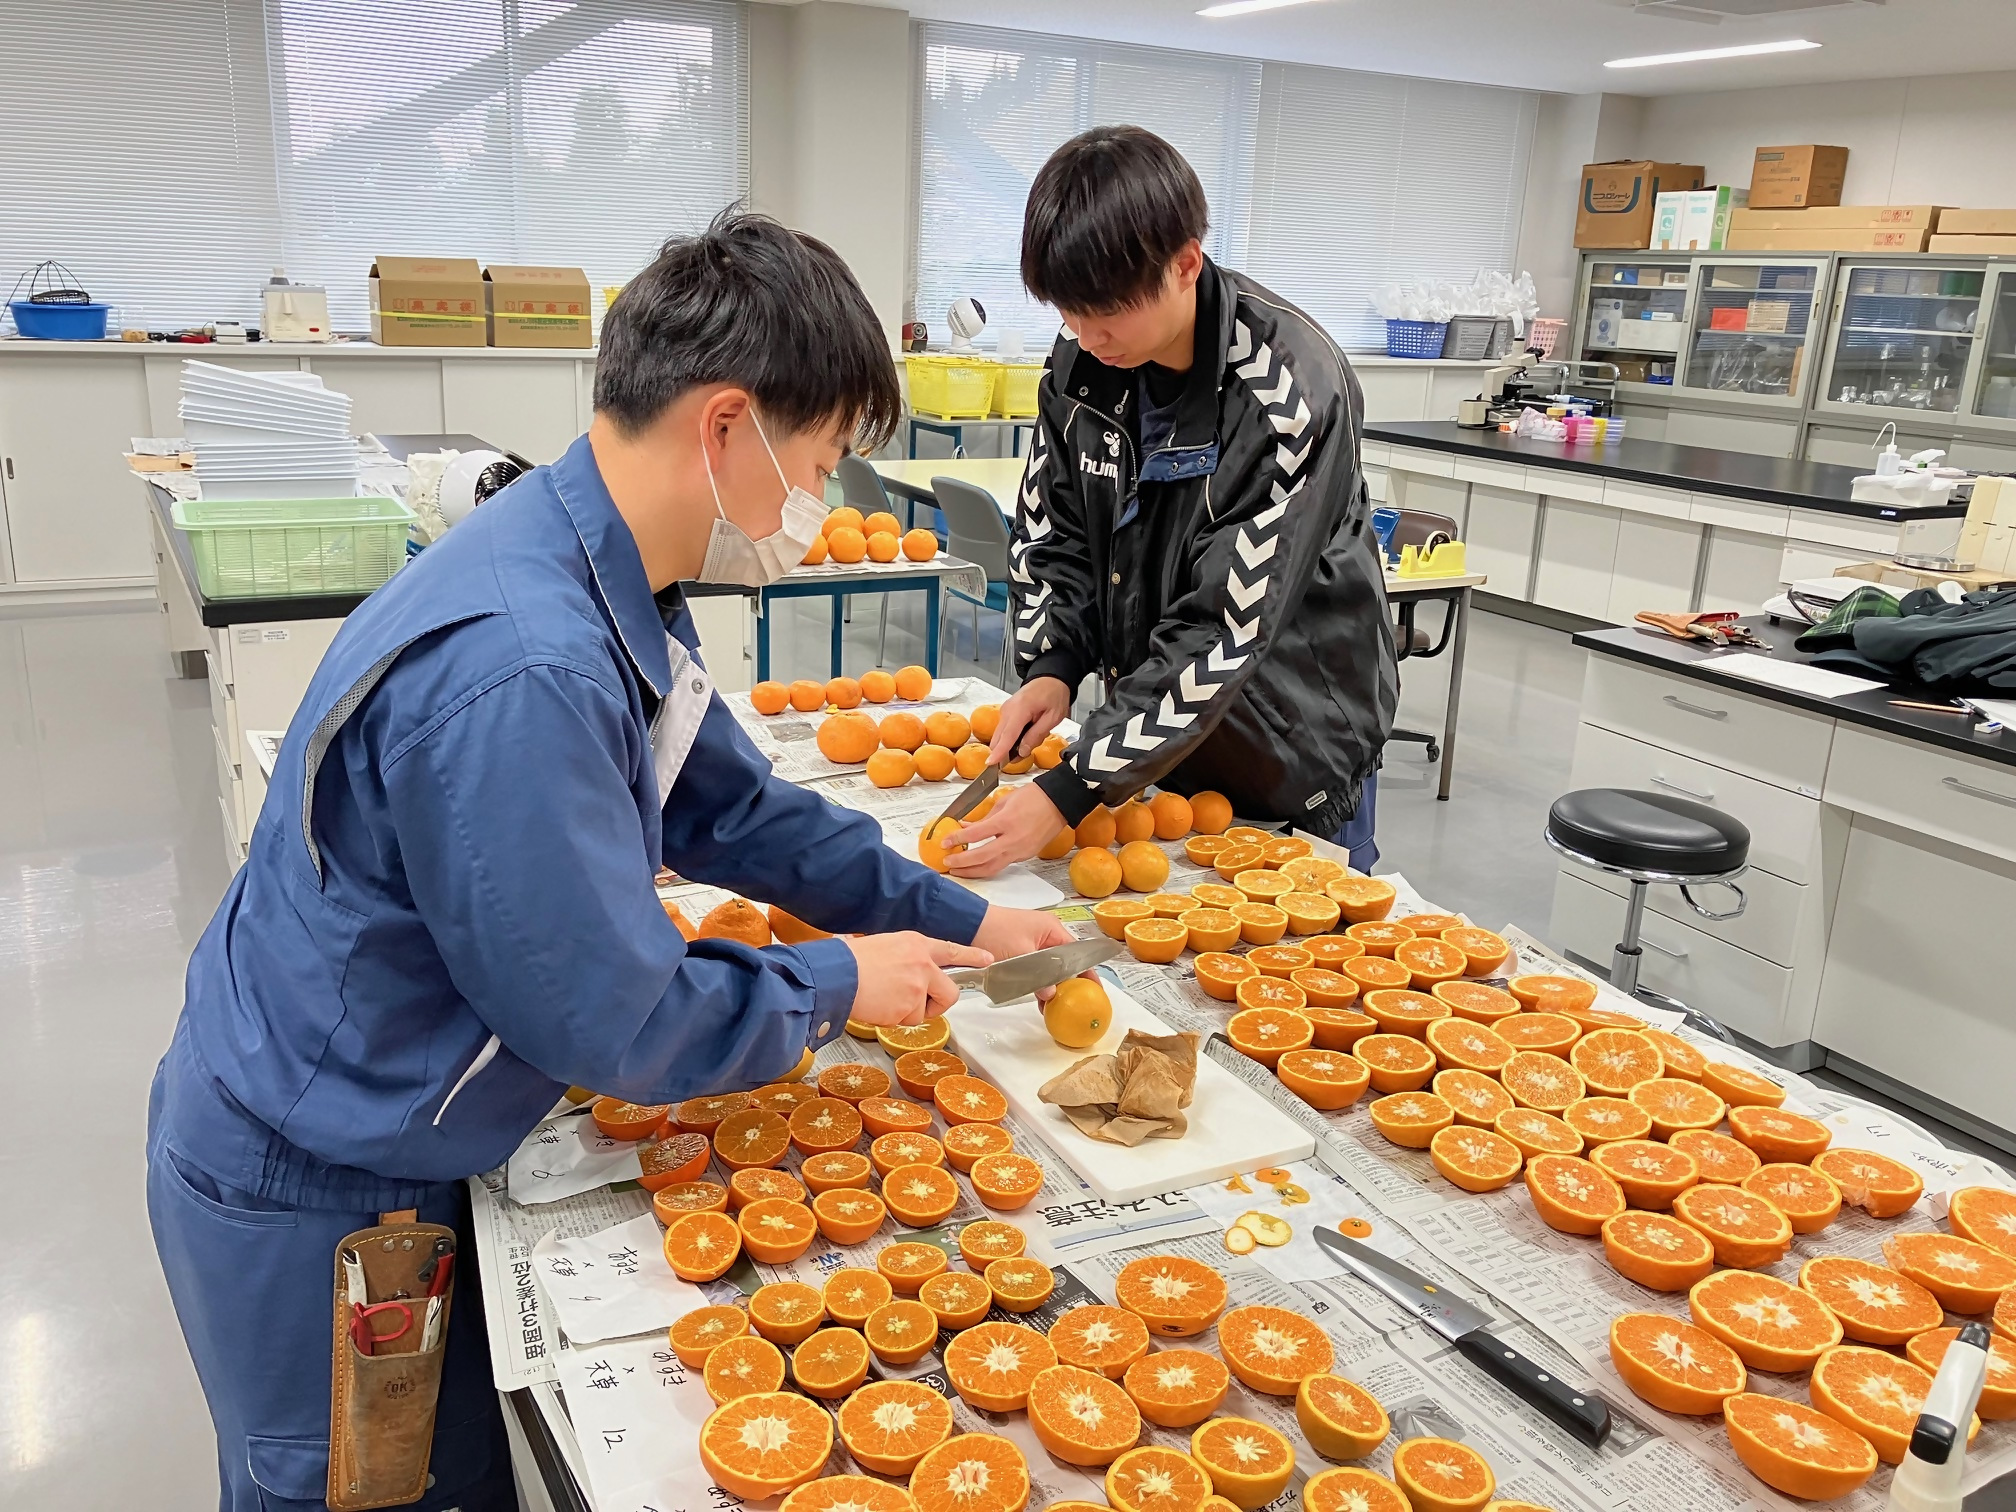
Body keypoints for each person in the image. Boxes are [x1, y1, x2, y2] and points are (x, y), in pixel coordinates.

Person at [147, 211, 1069, 1512]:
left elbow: (742, 815)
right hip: (314, 1186)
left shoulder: (597, 569)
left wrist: (953, 919)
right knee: (372, 1492)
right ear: (729, 427)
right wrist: (830, 985)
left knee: (452, 1478)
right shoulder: (525, 665)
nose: (826, 501)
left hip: (392, 1140)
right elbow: (618, 1018)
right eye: (827, 458)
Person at [944, 125, 1398, 877]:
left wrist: (1074, 785)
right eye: (1067, 313)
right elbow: (1052, 532)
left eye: (1107, 312)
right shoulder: (1082, 366)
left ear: (1185, 263)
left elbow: (1225, 624)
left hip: (1285, 752)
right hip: (1157, 742)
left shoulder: (1287, 394)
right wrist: (1054, 662)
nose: (1087, 338)